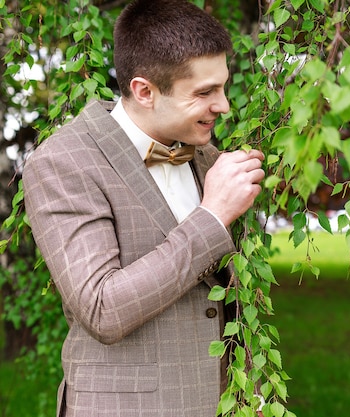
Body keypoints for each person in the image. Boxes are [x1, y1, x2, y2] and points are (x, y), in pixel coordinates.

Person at [22, 1, 265, 416]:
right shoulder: (63, 162)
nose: (223, 105)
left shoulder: (206, 157)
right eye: (205, 92)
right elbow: (102, 309)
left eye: (222, 86)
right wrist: (211, 218)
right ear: (144, 91)